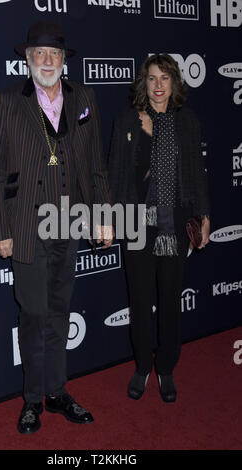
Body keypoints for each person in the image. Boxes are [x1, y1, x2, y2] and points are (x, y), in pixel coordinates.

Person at [0, 21, 112, 434]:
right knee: (35, 313)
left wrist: (103, 215)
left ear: (63, 60)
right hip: (25, 224)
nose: (46, 60)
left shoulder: (84, 97)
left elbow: (95, 166)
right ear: (26, 59)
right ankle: (31, 400)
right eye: (38, 53)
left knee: (59, 311)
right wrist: (0, 229)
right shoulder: (6, 101)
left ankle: (57, 392)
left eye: (54, 54)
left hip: (69, 222)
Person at [108, 54, 210, 403]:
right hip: (138, 225)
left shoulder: (187, 122)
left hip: (174, 226)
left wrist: (205, 214)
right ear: (143, 83)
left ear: (174, 83)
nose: (158, 86)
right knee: (140, 301)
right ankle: (141, 368)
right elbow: (120, 175)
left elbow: (196, 173)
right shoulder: (127, 119)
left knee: (169, 301)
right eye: (152, 79)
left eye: (164, 79)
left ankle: (165, 367)